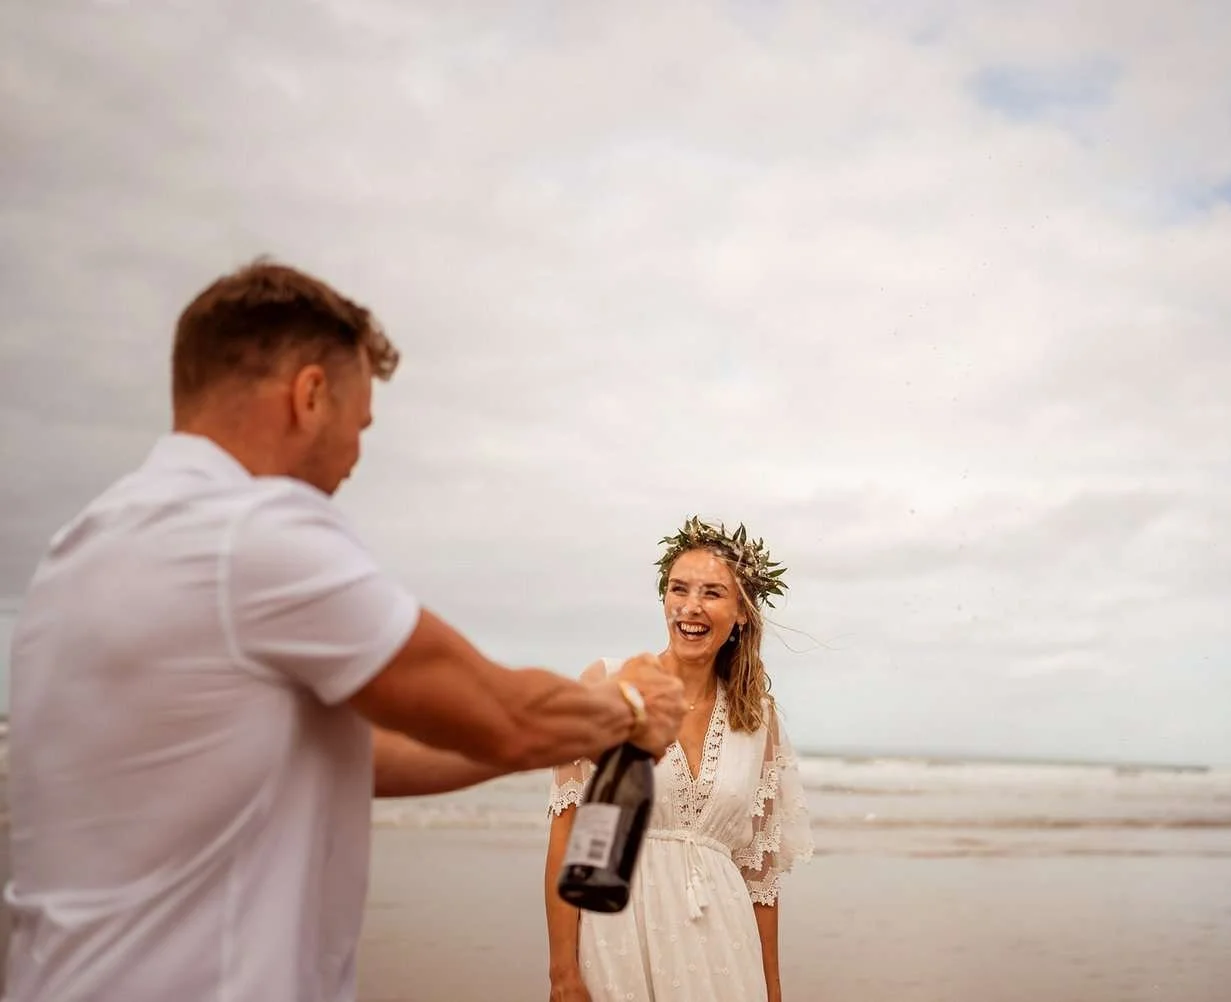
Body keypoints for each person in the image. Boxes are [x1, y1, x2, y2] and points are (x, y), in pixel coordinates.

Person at [1, 258, 688, 1002]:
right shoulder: (249, 529)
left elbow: (358, 756)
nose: (356, 459)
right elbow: (501, 714)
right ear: (309, 395)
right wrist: (628, 708)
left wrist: (538, 741)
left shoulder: (79, 548)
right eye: (360, 425)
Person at [543, 517, 815, 1002]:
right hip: (619, 928)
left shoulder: (759, 720)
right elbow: (568, 835)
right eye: (678, 589)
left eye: (712, 593)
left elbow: (759, 876)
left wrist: (773, 990)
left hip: (724, 942)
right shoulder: (610, 683)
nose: (691, 607)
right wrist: (562, 971)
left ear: (742, 613)